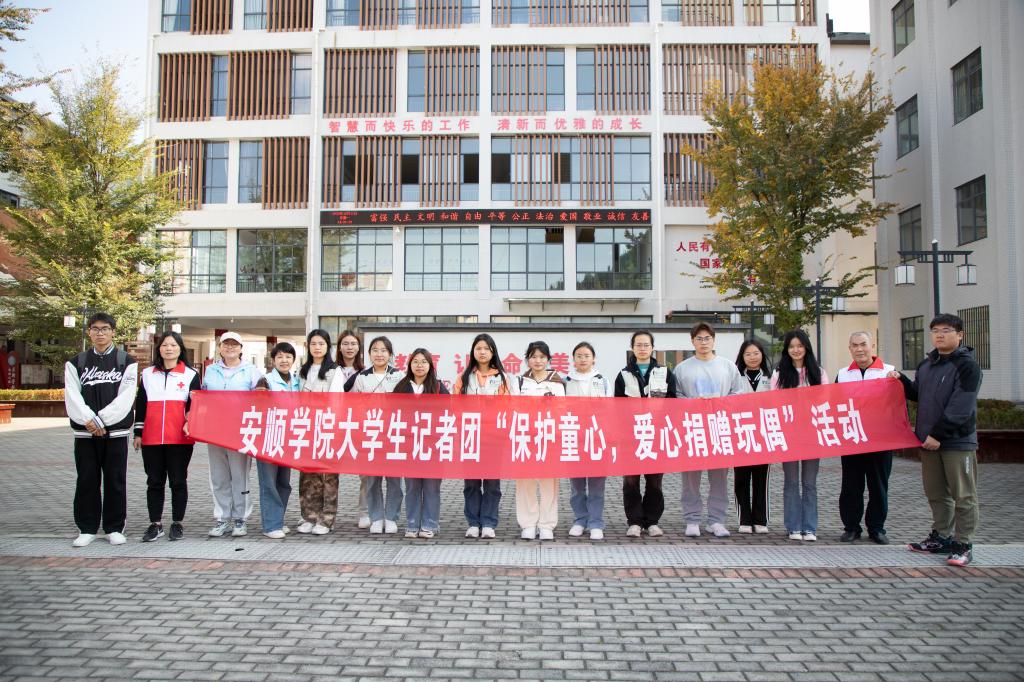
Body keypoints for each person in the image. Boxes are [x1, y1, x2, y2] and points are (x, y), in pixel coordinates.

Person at [891, 314, 981, 568]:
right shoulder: (927, 365)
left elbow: (961, 406)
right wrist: (901, 380)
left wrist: (938, 434)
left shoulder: (967, 366)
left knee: (964, 495)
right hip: (929, 443)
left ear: (960, 335)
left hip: (956, 443)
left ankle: (963, 544)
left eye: (946, 330)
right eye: (935, 330)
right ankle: (941, 537)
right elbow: (918, 394)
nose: (940, 335)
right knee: (936, 493)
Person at [64, 312, 138, 547]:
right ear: (89, 332)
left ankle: (114, 527)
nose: (100, 333)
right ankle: (86, 528)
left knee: (115, 480)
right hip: (85, 432)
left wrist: (102, 420)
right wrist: (90, 420)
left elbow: (126, 397)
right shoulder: (76, 362)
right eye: (95, 329)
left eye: (105, 329)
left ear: (113, 332)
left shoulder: (126, 361)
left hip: (115, 432)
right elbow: (72, 395)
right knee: (87, 479)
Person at [673, 322, 749, 538]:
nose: (703, 342)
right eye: (699, 339)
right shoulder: (682, 368)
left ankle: (716, 520)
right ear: (692, 341)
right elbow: (675, 396)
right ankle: (692, 519)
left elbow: (738, 394)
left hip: (719, 428)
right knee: (690, 478)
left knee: (719, 478)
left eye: (707, 338)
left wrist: (720, 401)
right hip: (693, 428)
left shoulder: (727, 366)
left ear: (714, 340)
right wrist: (693, 403)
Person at [133, 330, 199, 542]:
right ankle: (155, 524)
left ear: (180, 349)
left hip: (180, 439)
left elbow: (195, 407)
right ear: (158, 349)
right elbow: (141, 404)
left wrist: (191, 425)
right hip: (151, 438)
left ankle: (177, 523)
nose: (168, 348)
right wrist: (138, 432)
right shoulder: (147, 374)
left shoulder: (190, 375)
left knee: (178, 481)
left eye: (173, 345)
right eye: (164, 345)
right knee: (154, 481)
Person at [614, 330, 677, 538]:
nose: (642, 348)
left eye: (646, 345)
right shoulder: (623, 374)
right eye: (638, 345)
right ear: (632, 347)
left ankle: (652, 521)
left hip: (655, 435)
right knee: (631, 481)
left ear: (652, 348)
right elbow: (617, 406)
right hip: (631, 436)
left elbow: (672, 402)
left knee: (654, 481)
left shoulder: (664, 372)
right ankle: (634, 521)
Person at [836, 332, 896, 545]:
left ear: (872, 346)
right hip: (852, 439)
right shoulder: (843, 374)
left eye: (863, 344)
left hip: (881, 440)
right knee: (851, 486)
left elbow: (902, 400)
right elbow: (835, 404)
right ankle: (851, 527)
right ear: (849, 348)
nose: (859, 349)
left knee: (878, 486)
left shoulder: (889, 372)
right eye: (855, 345)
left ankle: (876, 528)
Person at [454, 333, 515, 539]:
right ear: (473, 352)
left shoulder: (502, 378)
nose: (482, 352)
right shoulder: (464, 377)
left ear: (493, 352)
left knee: (491, 483)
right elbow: (455, 406)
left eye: (486, 349)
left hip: (493, 437)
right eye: (478, 348)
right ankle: (473, 522)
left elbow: (507, 407)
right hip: (470, 436)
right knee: (471, 483)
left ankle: (488, 522)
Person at [202, 331, 262, 538]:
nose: (230, 348)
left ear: (241, 348)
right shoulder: (211, 371)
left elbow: (259, 399)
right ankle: (222, 517)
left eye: (234, 344)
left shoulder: (251, 371)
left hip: (240, 431)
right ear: (220, 348)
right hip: (214, 431)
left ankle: (240, 518)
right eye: (225, 344)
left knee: (239, 476)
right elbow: (203, 397)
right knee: (218, 476)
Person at [772, 329, 829, 542]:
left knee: (809, 483)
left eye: (800, 346)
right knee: (791, 482)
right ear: (786, 350)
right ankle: (793, 526)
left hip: (812, 434)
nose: (796, 350)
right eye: (791, 346)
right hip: (789, 434)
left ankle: (810, 527)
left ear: (806, 348)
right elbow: (775, 403)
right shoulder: (779, 373)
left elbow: (825, 400)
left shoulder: (818, 373)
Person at [349, 336, 405, 534]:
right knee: (371, 480)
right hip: (369, 433)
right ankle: (376, 517)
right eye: (375, 350)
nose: (379, 354)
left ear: (390, 354)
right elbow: (354, 405)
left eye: (383, 350)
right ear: (369, 354)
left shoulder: (399, 376)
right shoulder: (362, 377)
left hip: (393, 433)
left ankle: (391, 517)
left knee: (394, 480)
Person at [394, 348, 448, 539]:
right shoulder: (401, 387)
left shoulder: (439, 387)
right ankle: (412, 524)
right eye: (415, 361)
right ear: (409, 364)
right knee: (412, 487)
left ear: (430, 366)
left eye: (424, 362)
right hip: (409, 446)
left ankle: (430, 524)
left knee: (432, 487)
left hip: (432, 446)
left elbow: (449, 413)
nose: (419, 365)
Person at [515, 341, 565, 541]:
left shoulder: (557, 381)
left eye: (542, 357)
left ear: (548, 359)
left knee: (549, 483)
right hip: (525, 438)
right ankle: (528, 524)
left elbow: (562, 410)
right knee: (525, 482)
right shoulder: (519, 381)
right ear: (527, 359)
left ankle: (546, 525)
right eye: (533, 357)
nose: (538, 361)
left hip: (549, 437)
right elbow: (513, 409)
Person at [297, 329, 345, 535]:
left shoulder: (334, 371)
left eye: (321, 344)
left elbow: (337, 402)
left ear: (328, 347)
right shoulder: (302, 370)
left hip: (326, 429)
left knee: (328, 477)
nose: (317, 347)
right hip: (305, 428)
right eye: (313, 344)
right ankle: (309, 516)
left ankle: (326, 519)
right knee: (307, 476)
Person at [565, 341, 614, 541]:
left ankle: (596, 523)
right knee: (577, 486)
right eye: (579, 356)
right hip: (574, 438)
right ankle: (580, 520)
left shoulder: (602, 380)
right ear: (573, 359)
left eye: (587, 356)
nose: (583, 359)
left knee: (596, 485)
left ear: (594, 359)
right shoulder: (566, 381)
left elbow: (611, 408)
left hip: (597, 438)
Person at [254, 342, 301, 539]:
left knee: (283, 482)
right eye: (280, 356)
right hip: (268, 438)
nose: (284, 360)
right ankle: (271, 525)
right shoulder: (265, 380)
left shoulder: (297, 381)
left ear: (293, 360)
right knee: (269, 483)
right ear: (273, 360)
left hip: (288, 439)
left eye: (288, 357)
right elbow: (259, 407)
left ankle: (278, 520)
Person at [733, 339, 773, 535]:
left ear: (762, 355)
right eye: (748, 354)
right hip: (740, 433)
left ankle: (760, 519)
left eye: (756, 353)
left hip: (764, 434)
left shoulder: (771, 378)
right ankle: (744, 519)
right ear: (742, 357)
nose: (752, 357)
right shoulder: (736, 378)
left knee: (761, 479)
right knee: (741, 478)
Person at [335, 330, 370, 529]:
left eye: (353, 344)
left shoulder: (366, 372)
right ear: (339, 347)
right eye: (345, 343)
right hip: (334, 426)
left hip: (359, 427)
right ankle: (324, 513)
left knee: (365, 473)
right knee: (329, 473)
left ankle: (364, 513)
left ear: (359, 347)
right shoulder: (330, 370)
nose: (349, 347)